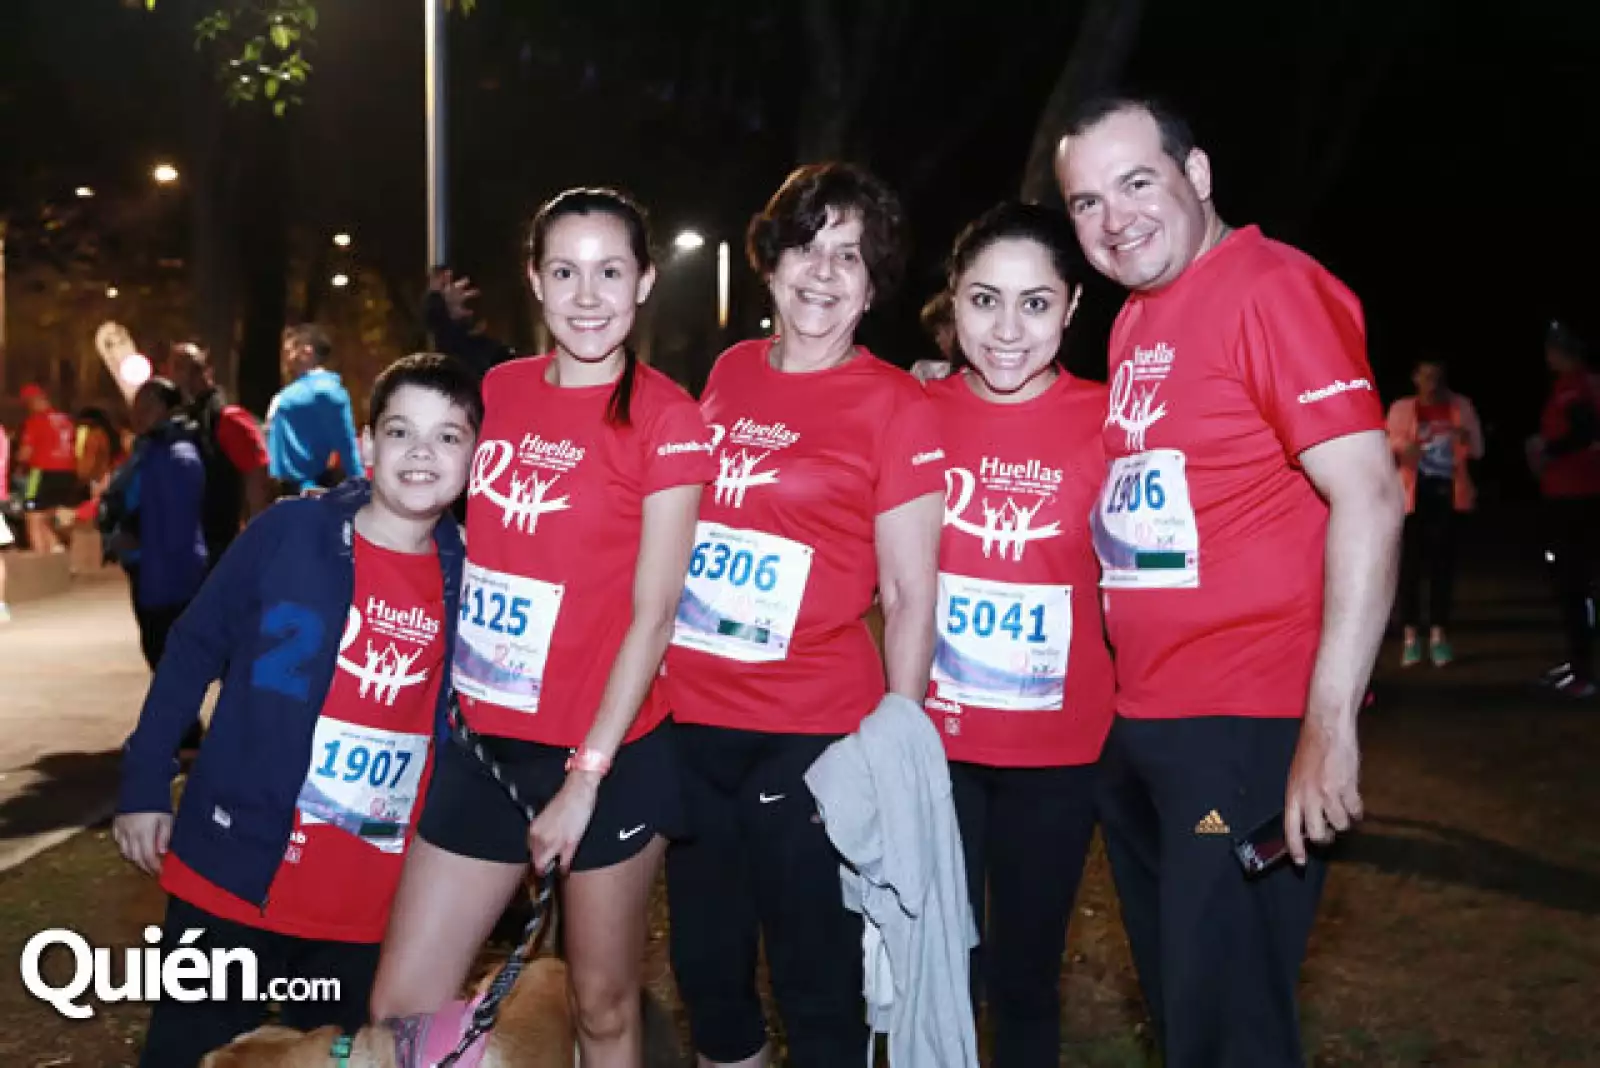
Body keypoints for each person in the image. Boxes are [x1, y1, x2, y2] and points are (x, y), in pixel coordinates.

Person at [1055, 96, 1403, 1066]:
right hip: (1150, 726)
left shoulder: (1269, 287)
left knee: (1228, 1029)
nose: (1114, 218)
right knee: (1188, 1012)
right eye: (1086, 202)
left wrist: (1326, 726)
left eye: (1136, 183)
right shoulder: (1133, 321)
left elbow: (1370, 497)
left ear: (1196, 176)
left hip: (1244, 726)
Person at [368, 188, 713, 1068]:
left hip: (608, 756)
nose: (587, 295)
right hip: (485, 748)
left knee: (599, 1008)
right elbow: (425, 489)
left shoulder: (667, 418)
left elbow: (656, 610)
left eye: (609, 272)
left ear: (642, 283)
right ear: (535, 281)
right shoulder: (499, 392)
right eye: (565, 272)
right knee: (401, 1008)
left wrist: (586, 780)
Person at [111, 353, 478, 1068]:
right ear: (366, 445)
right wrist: (145, 784)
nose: (422, 454)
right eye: (401, 432)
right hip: (232, 872)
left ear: (476, 457)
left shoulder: (472, 578)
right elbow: (191, 650)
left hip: (366, 905)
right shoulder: (289, 535)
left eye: (448, 437)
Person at [662, 162, 944, 1068]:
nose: (823, 272)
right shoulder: (730, 370)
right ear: (770, 259)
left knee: (817, 987)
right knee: (709, 981)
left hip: (812, 735)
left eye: (850, 257)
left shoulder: (898, 403)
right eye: (807, 246)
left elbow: (907, 592)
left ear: (872, 287)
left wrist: (898, 736)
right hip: (693, 722)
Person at [919, 201, 1116, 1067]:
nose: (1007, 330)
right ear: (952, 303)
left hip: (1061, 755)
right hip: (932, 750)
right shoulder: (909, 408)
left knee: (1026, 981)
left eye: (1035, 303)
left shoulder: (1116, 423)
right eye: (984, 300)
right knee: (941, 973)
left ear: (1072, 307)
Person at [101, 379, 209, 674]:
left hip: (166, 573)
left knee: (166, 657)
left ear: (166, 408)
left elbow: (177, 527)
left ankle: (180, 720)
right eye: (136, 405)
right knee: (158, 654)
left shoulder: (176, 455)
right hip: (148, 567)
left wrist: (137, 542)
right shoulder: (149, 450)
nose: (138, 413)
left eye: (147, 405)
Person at [1386, 358, 1483, 667]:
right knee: (1410, 568)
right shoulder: (1402, 408)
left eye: (1437, 376)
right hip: (1412, 497)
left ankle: (1440, 636)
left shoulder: (1461, 406)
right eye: (1426, 376)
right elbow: (1386, 443)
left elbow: (1478, 449)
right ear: (1415, 377)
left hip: (1448, 495)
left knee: (1443, 567)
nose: (1432, 382)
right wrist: (1405, 446)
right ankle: (1411, 638)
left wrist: (1464, 440)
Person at [1526, 320, 1600, 697]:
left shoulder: (1575, 385)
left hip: (1577, 498)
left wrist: (1545, 450)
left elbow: (1585, 432)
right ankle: (1576, 663)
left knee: (1576, 584)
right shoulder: (1571, 384)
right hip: (1568, 496)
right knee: (1568, 582)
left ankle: (1584, 672)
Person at [166, 341, 275, 564]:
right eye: (176, 367)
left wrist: (255, 537)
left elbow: (257, 477)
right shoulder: (181, 421)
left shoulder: (227, 419)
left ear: (206, 370)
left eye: (187, 367)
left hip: (220, 540)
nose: (180, 376)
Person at [266, 323, 366, 494]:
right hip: (279, 486)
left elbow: (346, 443)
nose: (286, 358)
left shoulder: (326, 391)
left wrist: (360, 485)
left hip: (301, 488)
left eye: (289, 351)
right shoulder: (297, 391)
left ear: (306, 351)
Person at [16, 384, 80, 554]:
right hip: (67, 473)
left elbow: (25, 453)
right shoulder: (66, 421)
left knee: (32, 517)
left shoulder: (35, 421)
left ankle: (41, 563)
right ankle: (57, 552)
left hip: (40, 473)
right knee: (48, 518)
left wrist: (17, 463)